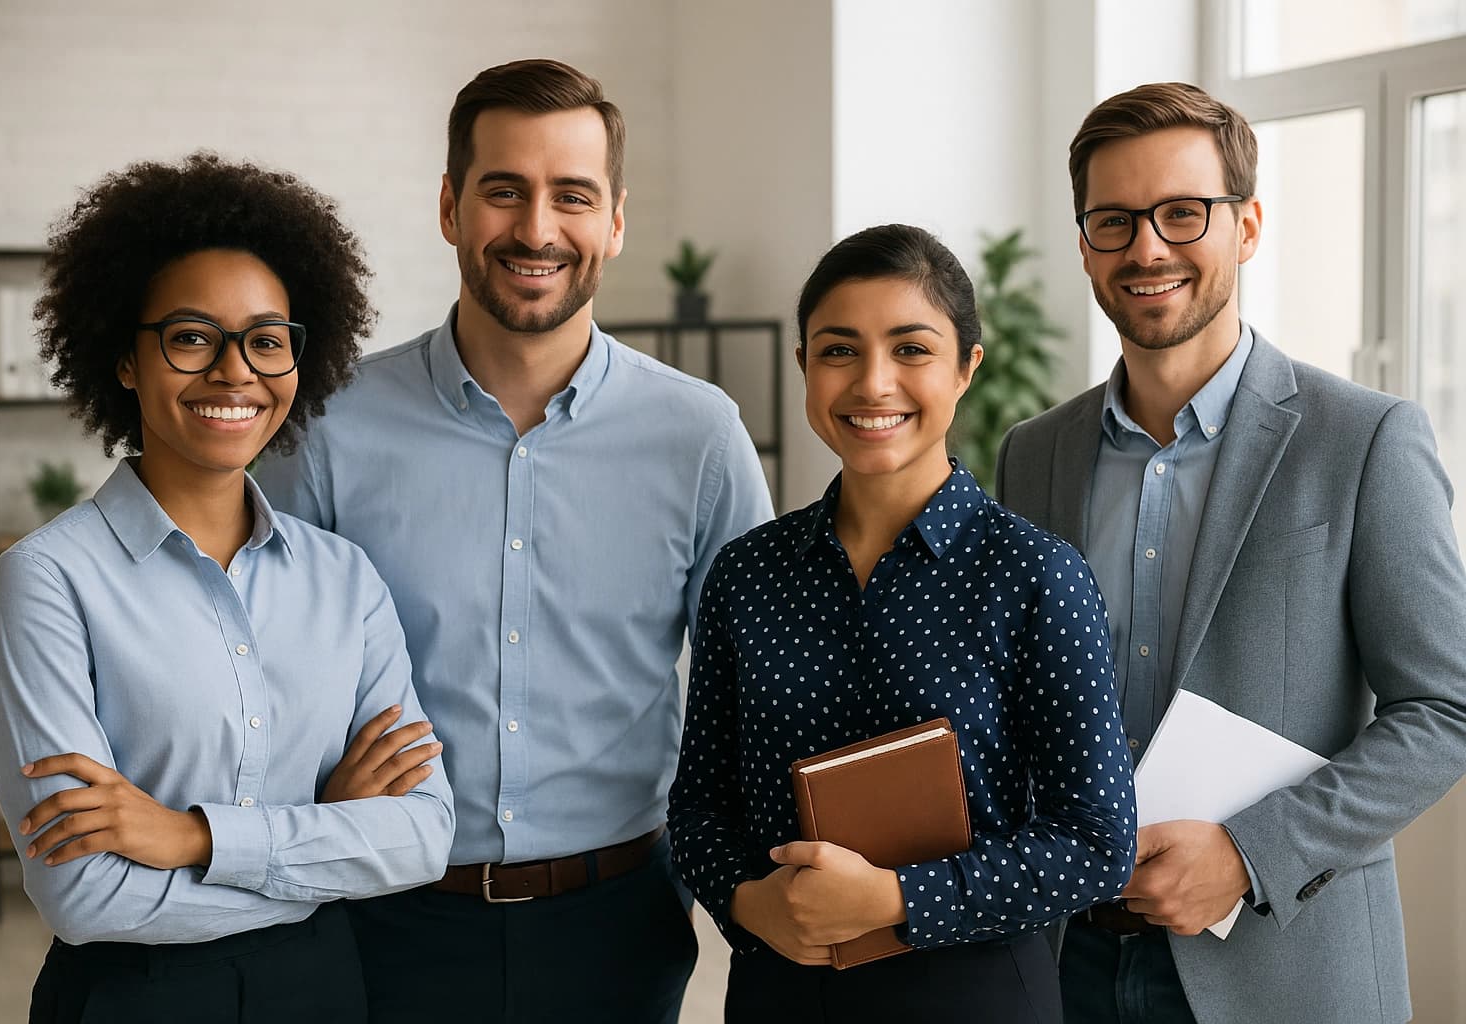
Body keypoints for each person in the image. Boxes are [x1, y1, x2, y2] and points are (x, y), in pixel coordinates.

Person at [254, 58, 773, 1023]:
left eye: (571, 196)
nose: (536, 229)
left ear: (614, 220)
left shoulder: (699, 436)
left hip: (620, 929)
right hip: (383, 918)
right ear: (451, 206)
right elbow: (255, 667)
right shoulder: (327, 426)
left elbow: (762, 687)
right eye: (504, 191)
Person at [996, 81, 1466, 1024]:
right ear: (1086, 243)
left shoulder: (1365, 439)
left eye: (1182, 213)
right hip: (1066, 954)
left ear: (1246, 226)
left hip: (1283, 962)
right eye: (1114, 222)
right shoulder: (1033, 452)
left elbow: (1446, 706)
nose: (1148, 248)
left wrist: (1251, 854)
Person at [0, 153, 457, 1024]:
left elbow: (423, 837)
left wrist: (192, 837)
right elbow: (84, 895)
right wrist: (323, 851)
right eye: (192, 336)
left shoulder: (343, 578)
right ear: (126, 358)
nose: (235, 371)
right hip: (132, 996)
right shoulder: (48, 581)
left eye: (266, 339)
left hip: (322, 990)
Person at [668, 223, 1137, 1024]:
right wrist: (751, 904)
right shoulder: (747, 575)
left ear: (967, 369)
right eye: (839, 350)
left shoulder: (1036, 575)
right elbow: (699, 809)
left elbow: (1096, 840)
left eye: (912, 349)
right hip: (783, 991)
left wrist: (893, 897)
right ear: (805, 368)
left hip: (976, 996)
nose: (872, 383)